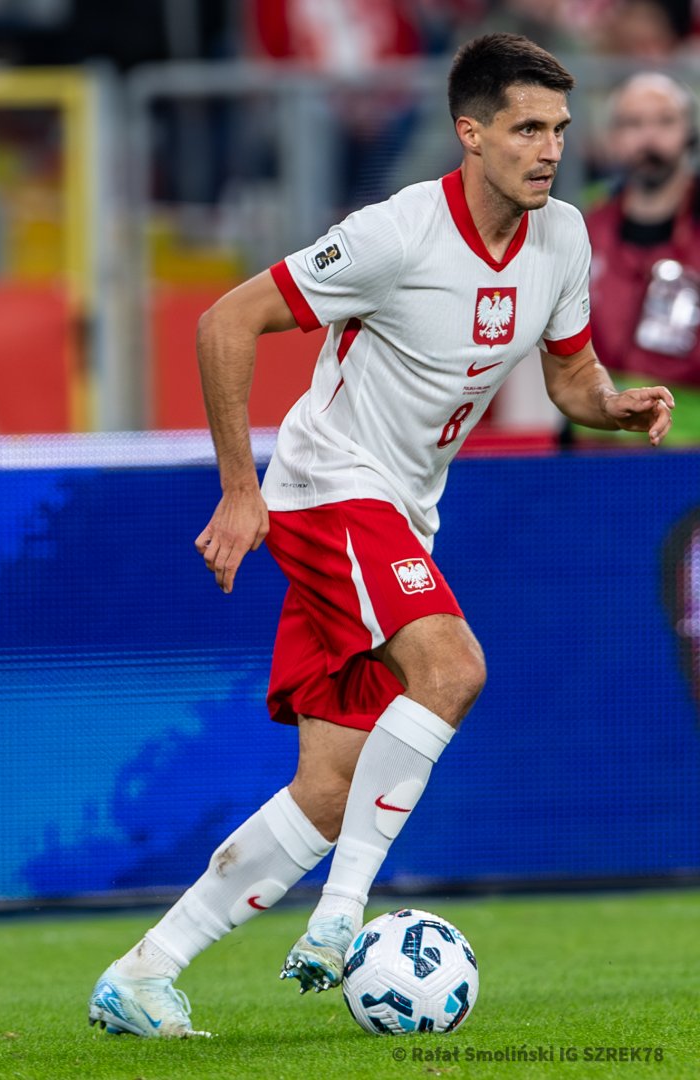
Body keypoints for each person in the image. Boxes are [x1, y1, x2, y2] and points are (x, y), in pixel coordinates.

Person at [88, 32, 674, 1038]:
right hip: (330, 489)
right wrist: (240, 491)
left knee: (329, 789)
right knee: (452, 667)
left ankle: (143, 974)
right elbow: (225, 322)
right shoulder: (395, 234)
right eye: (526, 129)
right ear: (470, 133)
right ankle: (342, 915)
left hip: (404, 512)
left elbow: (571, 375)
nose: (549, 150)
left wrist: (612, 406)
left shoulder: (564, 238)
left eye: (559, 130)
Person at [583, 71, 700, 444]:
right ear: (612, 138)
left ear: (690, 132)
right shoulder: (583, 227)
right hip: (594, 444)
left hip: (688, 447)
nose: (649, 137)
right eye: (633, 123)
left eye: (665, 121)